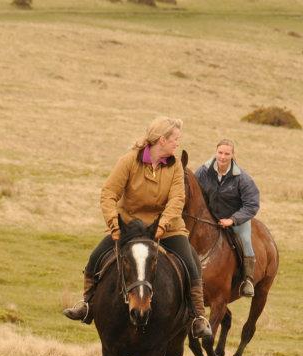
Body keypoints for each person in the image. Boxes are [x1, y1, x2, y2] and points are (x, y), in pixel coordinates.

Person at [63, 116, 212, 338]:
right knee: (95, 258)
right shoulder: (129, 161)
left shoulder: (176, 166)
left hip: (166, 227)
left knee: (190, 263)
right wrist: (114, 225)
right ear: (161, 140)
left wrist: (162, 225)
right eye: (175, 140)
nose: (177, 144)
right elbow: (108, 194)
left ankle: (198, 316)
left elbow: (177, 200)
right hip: (129, 225)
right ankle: (86, 305)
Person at [194, 139, 260, 297]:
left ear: (233, 155)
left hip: (235, 219)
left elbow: (252, 204)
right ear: (216, 152)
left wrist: (232, 220)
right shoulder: (203, 171)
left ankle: (247, 279)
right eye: (220, 152)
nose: (223, 157)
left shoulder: (242, 178)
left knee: (245, 240)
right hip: (208, 218)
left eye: (227, 153)